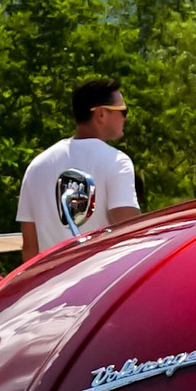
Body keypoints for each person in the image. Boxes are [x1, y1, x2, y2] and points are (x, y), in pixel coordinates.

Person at [18, 79, 141, 259]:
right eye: (123, 110)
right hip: (103, 275)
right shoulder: (117, 161)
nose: (125, 117)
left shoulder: (37, 166)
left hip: (54, 277)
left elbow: (30, 248)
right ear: (101, 114)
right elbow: (131, 232)